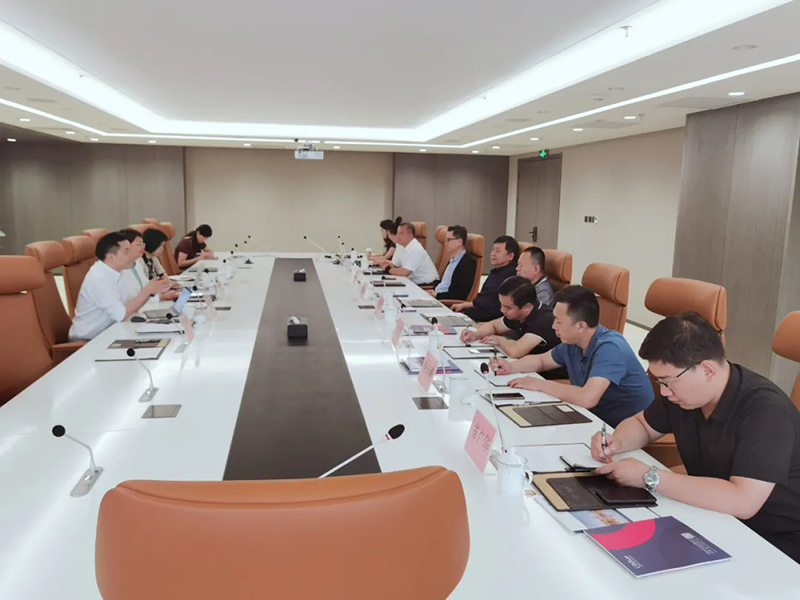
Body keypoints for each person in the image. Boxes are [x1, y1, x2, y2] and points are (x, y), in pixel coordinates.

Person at [589, 313, 800, 564]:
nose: (664, 392)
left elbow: (743, 501)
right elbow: (642, 424)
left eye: (667, 382)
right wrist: (617, 441)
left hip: (773, 540)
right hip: (711, 514)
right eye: (657, 381)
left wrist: (650, 476)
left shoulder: (766, 411)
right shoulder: (684, 395)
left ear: (707, 370)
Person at [490, 285, 652, 427]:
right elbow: (541, 361)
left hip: (623, 428)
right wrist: (510, 366)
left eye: (558, 321)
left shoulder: (610, 348)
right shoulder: (573, 342)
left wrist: (539, 384)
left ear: (580, 326)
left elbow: (587, 398)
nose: (553, 326)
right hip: (591, 416)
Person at [69, 232, 172, 341]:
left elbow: (132, 302)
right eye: (126, 251)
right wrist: (147, 291)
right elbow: (121, 315)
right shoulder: (99, 278)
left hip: (112, 331)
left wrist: (151, 292)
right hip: (88, 339)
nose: (130, 254)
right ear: (111, 257)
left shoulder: (119, 271)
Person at [460, 276, 561, 361]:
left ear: (527, 307)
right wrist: (475, 335)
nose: (502, 310)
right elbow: (494, 326)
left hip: (544, 374)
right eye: (502, 305)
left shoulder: (543, 320)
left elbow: (515, 351)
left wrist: (500, 340)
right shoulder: (517, 313)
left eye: (507, 307)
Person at [452, 235, 519, 322]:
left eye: (498, 251)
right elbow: (484, 299)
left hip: (486, 321)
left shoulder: (510, 277)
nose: (493, 254)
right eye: (493, 250)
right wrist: (465, 305)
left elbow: (493, 307)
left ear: (510, 256)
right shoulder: (497, 271)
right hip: (476, 313)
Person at [378, 222, 439, 286]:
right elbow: (396, 265)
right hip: (413, 282)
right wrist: (387, 263)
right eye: (397, 233)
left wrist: (388, 269)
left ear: (410, 235)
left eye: (401, 233)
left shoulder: (415, 248)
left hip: (427, 284)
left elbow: (405, 272)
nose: (398, 236)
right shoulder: (402, 246)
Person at [432, 225, 476, 300]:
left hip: (444, 301)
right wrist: (432, 291)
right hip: (437, 296)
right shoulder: (452, 259)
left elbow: (459, 295)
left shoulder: (467, 264)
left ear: (459, 242)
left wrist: (437, 295)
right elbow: (444, 283)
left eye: (448, 240)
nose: (445, 243)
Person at [142, 228, 181, 301]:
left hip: (156, 294)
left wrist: (170, 284)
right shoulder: (140, 261)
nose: (162, 249)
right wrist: (163, 295)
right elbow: (144, 287)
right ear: (153, 244)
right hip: (150, 298)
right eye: (160, 246)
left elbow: (163, 276)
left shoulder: (153, 258)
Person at [118, 229, 150, 303]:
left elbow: (146, 287)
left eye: (143, 244)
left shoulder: (137, 262)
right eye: (138, 244)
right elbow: (130, 298)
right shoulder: (119, 267)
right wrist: (162, 297)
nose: (143, 248)